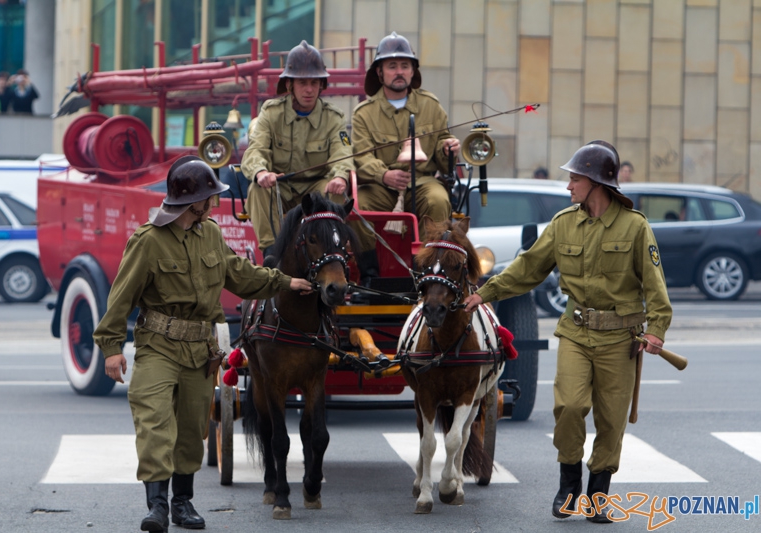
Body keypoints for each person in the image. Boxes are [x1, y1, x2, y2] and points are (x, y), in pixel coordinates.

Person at [92, 156, 313, 532]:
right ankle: (157, 507)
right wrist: (111, 348)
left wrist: (285, 282)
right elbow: (121, 296)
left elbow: (239, 274)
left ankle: (182, 503)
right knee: (155, 423)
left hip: (199, 351)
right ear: (190, 201)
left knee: (192, 430)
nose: (213, 203)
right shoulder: (148, 240)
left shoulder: (209, 233)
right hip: (158, 347)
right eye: (209, 197)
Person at [463, 141, 672, 523]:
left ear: (596, 183)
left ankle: (597, 495)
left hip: (620, 338)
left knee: (611, 419)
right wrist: (485, 293)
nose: (568, 186)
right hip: (576, 332)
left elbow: (656, 287)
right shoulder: (563, 224)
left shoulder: (635, 227)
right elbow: (527, 269)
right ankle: (569, 483)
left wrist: (657, 329)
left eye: (574, 178)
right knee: (570, 406)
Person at [351, 32, 459, 284]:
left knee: (438, 200)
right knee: (357, 208)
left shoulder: (431, 106)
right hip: (381, 186)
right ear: (380, 72)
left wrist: (448, 149)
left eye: (405, 66)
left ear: (412, 72)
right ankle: (370, 275)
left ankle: (429, 271)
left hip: (422, 181)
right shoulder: (364, 114)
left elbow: (444, 151)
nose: (399, 71)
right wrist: (384, 175)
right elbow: (361, 155)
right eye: (392, 66)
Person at [240, 40, 352, 258]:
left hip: (316, 190)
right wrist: (261, 172)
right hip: (280, 189)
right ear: (290, 84)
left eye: (314, 82)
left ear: (322, 85)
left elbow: (343, 152)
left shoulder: (334, 118)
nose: (309, 89)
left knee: (336, 192)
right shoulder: (271, 113)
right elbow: (255, 150)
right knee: (258, 189)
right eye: (302, 83)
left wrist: (340, 176)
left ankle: (329, 251)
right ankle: (273, 255)